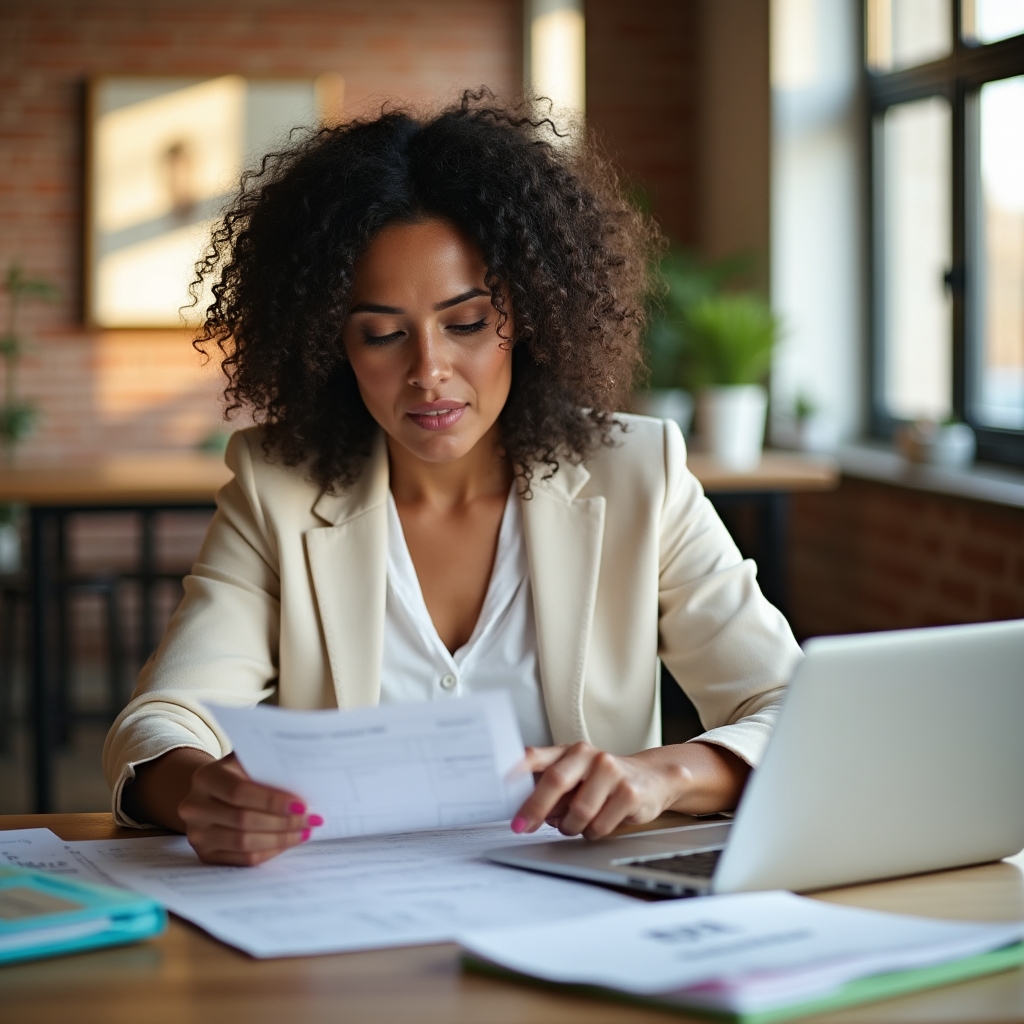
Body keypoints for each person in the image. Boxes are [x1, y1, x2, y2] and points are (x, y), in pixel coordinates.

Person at [103, 91, 801, 866]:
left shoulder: (640, 475)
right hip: (347, 928)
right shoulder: (278, 488)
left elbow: (791, 708)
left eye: (465, 324)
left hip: (584, 916)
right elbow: (162, 720)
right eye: (382, 334)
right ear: (333, 345)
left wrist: (661, 774)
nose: (429, 373)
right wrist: (197, 790)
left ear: (528, 315)